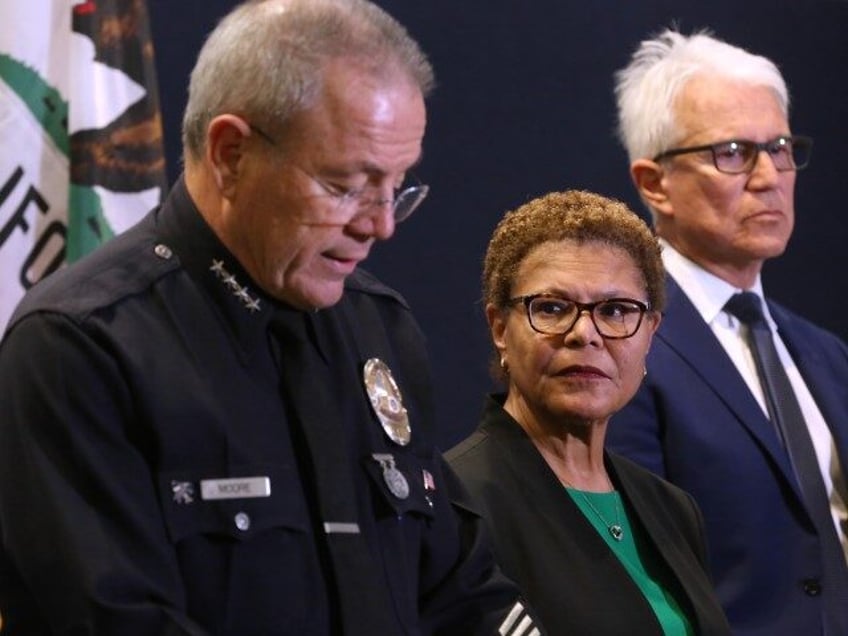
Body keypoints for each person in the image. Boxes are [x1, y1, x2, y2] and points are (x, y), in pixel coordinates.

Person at [0, 1, 542, 634]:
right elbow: (114, 619)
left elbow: (462, 590)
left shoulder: (379, 328)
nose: (380, 224)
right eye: (346, 186)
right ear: (231, 153)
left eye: (395, 187)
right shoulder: (81, 348)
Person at [607, 28, 848, 636]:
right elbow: (624, 573)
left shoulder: (826, 356)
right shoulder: (616, 346)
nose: (770, 176)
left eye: (782, 147)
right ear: (654, 183)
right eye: (734, 152)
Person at [446, 190, 731, 635]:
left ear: (649, 333)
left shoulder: (673, 509)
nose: (585, 334)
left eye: (616, 310)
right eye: (553, 308)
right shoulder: (457, 504)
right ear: (500, 328)